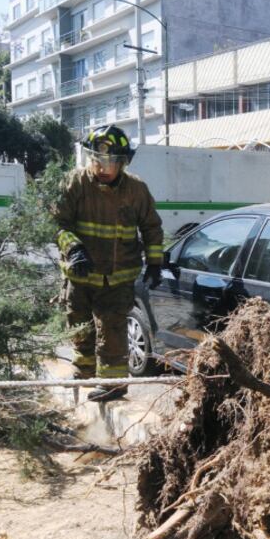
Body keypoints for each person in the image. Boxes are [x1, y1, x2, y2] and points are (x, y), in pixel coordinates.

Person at [54, 125, 164, 402]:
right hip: (81, 275)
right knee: (80, 328)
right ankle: (83, 374)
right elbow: (57, 224)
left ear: (123, 162)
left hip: (117, 279)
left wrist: (154, 263)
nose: (103, 168)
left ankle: (113, 385)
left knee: (112, 331)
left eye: (111, 162)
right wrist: (73, 247)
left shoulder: (136, 190)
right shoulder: (73, 184)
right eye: (97, 160)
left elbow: (151, 227)